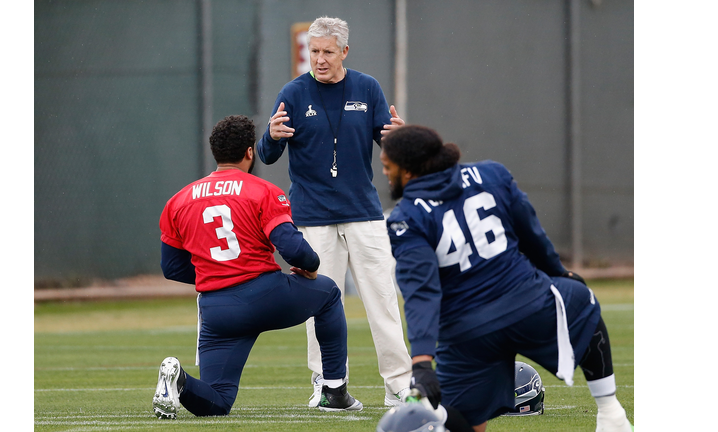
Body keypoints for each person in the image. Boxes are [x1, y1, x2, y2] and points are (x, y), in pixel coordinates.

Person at [379, 125, 633, 432]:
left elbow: (422, 292)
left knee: (462, 417)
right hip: (528, 304)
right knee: (579, 298)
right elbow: (530, 232)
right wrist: (558, 272)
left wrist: (421, 360)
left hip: (468, 332)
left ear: (407, 171)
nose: (384, 174)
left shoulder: (405, 217)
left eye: (387, 166)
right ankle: (610, 413)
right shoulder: (492, 174)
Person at [153, 115, 362, 419]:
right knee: (328, 293)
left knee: (218, 402)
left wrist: (215, 271)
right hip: (263, 294)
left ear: (215, 152)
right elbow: (294, 249)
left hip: (216, 310)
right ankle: (333, 390)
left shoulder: (178, 200)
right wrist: (312, 267)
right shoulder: (261, 190)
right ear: (250, 152)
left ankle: (180, 381)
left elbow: (171, 267)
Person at [257, 15, 413, 408]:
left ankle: (399, 386)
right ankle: (326, 384)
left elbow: (390, 144)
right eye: (314, 51)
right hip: (311, 218)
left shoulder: (367, 87)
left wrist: (400, 137)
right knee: (319, 307)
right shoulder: (292, 93)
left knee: (383, 302)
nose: (320, 59)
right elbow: (267, 154)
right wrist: (271, 136)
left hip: (364, 214)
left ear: (344, 51)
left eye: (328, 51)